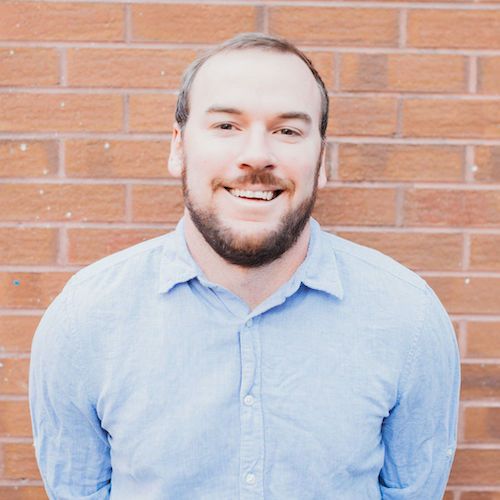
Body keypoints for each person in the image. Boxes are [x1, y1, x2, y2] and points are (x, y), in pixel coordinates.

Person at [29, 32, 460, 499]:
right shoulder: (85, 319)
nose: (256, 155)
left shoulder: (407, 318)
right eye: (226, 126)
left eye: (288, 130)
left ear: (321, 160)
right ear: (178, 147)